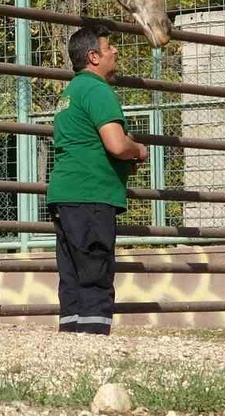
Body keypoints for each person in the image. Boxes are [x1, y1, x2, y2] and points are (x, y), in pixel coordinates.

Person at [46, 24, 149, 335]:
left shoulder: (70, 93)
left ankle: (72, 343)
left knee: (72, 276)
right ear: (93, 57)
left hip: (65, 195)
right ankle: (92, 345)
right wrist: (138, 150)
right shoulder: (98, 90)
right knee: (95, 273)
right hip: (91, 195)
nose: (115, 51)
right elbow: (116, 144)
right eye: (109, 48)